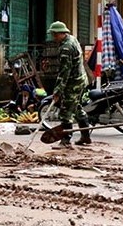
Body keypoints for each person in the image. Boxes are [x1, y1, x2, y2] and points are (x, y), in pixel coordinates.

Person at [48, 21, 90, 149]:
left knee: (66, 111)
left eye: (55, 35)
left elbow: (64, 72)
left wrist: (58, 91)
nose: (54, 38)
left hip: (73, 83)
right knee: (76, 108)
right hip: (81, 80)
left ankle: (66, 140)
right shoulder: (73, 39)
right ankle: (85, 137)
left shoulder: (66, 48)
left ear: (61, 33)